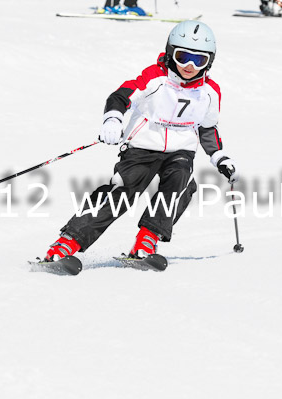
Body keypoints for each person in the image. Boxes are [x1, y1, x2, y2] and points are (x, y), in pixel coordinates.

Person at [42, 21, 239, 262]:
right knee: (124, 189)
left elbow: (208, 128)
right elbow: (121, 95)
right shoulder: (155, 78)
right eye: (183, 56)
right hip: (142, 147)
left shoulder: (210, 92)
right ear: (170, 52)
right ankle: (67, 242)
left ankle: (148, 237)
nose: (189, 66)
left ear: (210, 61)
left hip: (181, 150)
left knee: (183, 182)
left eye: (199, 60)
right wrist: (113, 119)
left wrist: (219, 156)